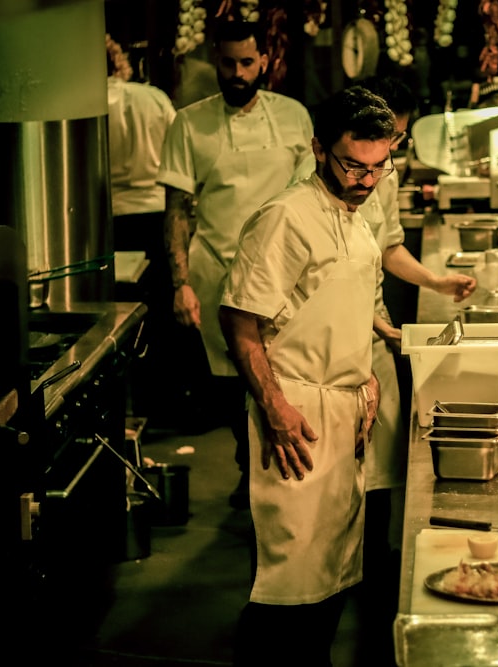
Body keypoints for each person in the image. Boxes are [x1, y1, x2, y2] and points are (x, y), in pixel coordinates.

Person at [219, 85, 393, 667]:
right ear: (319, 149)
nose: (367, 179)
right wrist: (274, 406)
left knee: (330, 582)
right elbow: (240, 319)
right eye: (353, 164)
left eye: (379, 166)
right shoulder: (286, 218)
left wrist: (368, 373)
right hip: (297, 415)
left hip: (345, 413)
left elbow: (340, 298)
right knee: (287, 589)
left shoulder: (357, 218)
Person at [157, 19, 314, 510]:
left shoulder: (293, 117)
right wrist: (180, 283)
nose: (239, 73)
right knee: (231, 385)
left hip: (285, 273)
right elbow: (178, 208)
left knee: (283, 375)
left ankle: (275, 475)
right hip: (217, 272)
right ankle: (250, 473)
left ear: (264, 61)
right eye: (229, 63)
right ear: (215, 60)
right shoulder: (189, 123)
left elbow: (310, 200)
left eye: (248, 63)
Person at [354, 74, 476, 666]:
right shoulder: (340, 171)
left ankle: (378, 600)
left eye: (399, 141)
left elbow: (385, 245)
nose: (392, 154)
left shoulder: (385, 170)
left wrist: (437, 279)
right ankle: (362, 610)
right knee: (348, 489)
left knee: (381, 481)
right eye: (391, 137)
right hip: (336, 339)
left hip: (370, 329)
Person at [105, 34, 179, 423]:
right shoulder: (153, 99)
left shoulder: (90, 104)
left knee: (120, 314)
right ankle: (161, 404)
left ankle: (125, 404)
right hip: (155, 212)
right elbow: (178, 154)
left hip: (110, 218)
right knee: (160, 313)